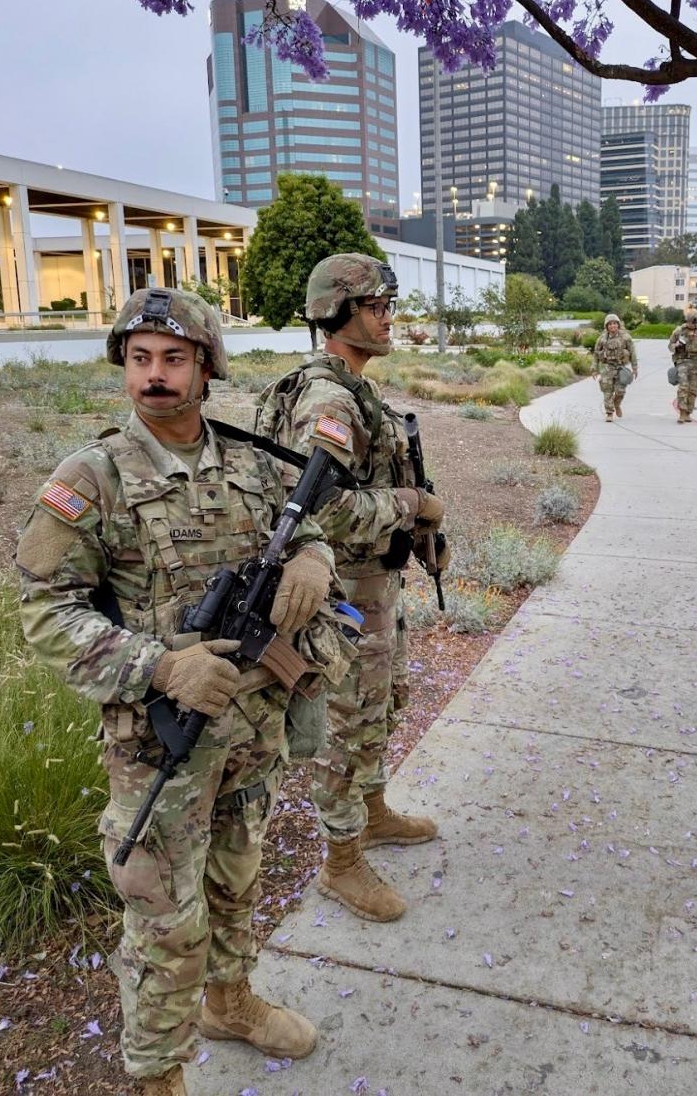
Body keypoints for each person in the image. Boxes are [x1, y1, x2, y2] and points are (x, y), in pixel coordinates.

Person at [15, 289, 343, 1096]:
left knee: (237, 881)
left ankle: (229, 1003)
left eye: (172, 359)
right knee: (166, 925)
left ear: (206, 365)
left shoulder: (253, 460)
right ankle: (156, 1073)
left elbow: (307, 526)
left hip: (252, 731)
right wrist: (161, 666)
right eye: (139, 360)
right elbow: (43, 609)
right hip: (162, 742)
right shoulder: (91, 476)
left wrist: (314, 561)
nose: (154, 377)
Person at [256, 253, 446, 924]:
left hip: (375, 585)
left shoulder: (353, 387)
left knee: (380, 708)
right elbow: (315, 510)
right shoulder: (329, 399)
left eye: (388, 304)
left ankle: (372, 812)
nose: (388, 316)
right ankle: (341, 863)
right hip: (342, 594)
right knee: (348, 723)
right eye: (376, 305)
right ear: (338, 313)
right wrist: (412, 503)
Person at [593, 312, 638, 421]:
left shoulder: (626, 337)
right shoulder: (602, 339)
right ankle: (609, 413)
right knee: (607, 391)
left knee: (620, 391)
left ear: (618, 324)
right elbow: (596, 354)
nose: (613, 326)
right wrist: (594, 369)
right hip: (607, 367)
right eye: (610, 324)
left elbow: (633, 352)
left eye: (615, 323)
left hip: (620, 367)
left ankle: (617, 404)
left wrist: (635, 367)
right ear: (606, 326)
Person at [668, 312, 697, 423]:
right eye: (691, 321)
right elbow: (670, 345)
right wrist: (676, 346)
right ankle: (682, 413)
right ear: (687, 320)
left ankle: (688, 412)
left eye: (695, 321)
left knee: (694, 389)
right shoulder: (679, 331)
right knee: (683, 386)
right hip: (682, 361)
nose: (693, 324)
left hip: (695, 362)